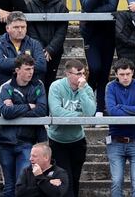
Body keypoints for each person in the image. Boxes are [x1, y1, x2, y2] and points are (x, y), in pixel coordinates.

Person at [0, 54, 48, 197]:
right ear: (17, 70)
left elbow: (42, 110)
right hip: (5, 142)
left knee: (22, 185)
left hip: (27, 142)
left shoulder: (38, 85)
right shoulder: (6, 87)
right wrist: (29, 106)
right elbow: (6, 112)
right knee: (9, 187)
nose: (30, 72)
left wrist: (17, 109)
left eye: (32, 68)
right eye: (27, 69)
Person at [77, 0, 119, 114]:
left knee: (104, 71)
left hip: (109, 31)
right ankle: (88, 94)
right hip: (90, 31)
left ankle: (100, 108)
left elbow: (112, 6)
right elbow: (86, 6)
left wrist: (92, 10)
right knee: (95, 68)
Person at [48, 59, 96, 197]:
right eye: (78, 73)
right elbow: (57, 112)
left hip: (77, 141)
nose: (82, 77)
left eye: (83, 73)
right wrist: (80, 116)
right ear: (68, 74)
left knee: (74, 179)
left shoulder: (86, 88)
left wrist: (81, 90)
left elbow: (91, 112)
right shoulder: (56, 86)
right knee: (65, 179)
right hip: (58, 141)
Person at [105, 58, 135, 197]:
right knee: (116, 181)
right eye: (122, 74)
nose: (125, 77)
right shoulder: (110, 87)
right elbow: (111, 111)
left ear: (133, 73)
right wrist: (126, 109)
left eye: (128, 74)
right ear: (116, 74)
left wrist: (121, 106)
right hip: (115, 140)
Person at [26, 0, 69, 88]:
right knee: (37, 80)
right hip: (36, 50)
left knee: (51, 79)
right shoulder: (30, 5)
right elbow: (30, 29)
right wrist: (40, 49)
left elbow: (61, 31)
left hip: (54, 51)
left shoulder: (61, 7)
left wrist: (50, 49)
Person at [0, 11, 47, 97]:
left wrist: (14, 65)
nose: (20, 30)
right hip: (7, 93)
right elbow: (1, 65)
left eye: (23, 27)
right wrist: (27, 64)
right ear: (7, 28)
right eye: (16, 27)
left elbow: (42, 65)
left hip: (31, 92)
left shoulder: (34, 44)